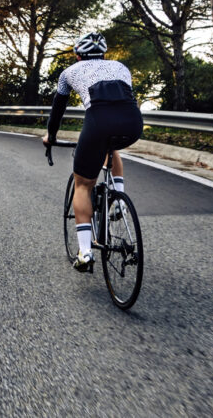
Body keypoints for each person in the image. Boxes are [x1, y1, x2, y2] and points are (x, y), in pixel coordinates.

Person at [42, 32, 143, 272]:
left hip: (98, 122)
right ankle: (119, 199)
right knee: (112, 147)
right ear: (103, 54)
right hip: (133, 123)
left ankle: (85, 252)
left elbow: (57, 110)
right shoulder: (121, 67)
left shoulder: (68, 73)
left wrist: (51, 137)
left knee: (83, 185)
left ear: (78, 55)